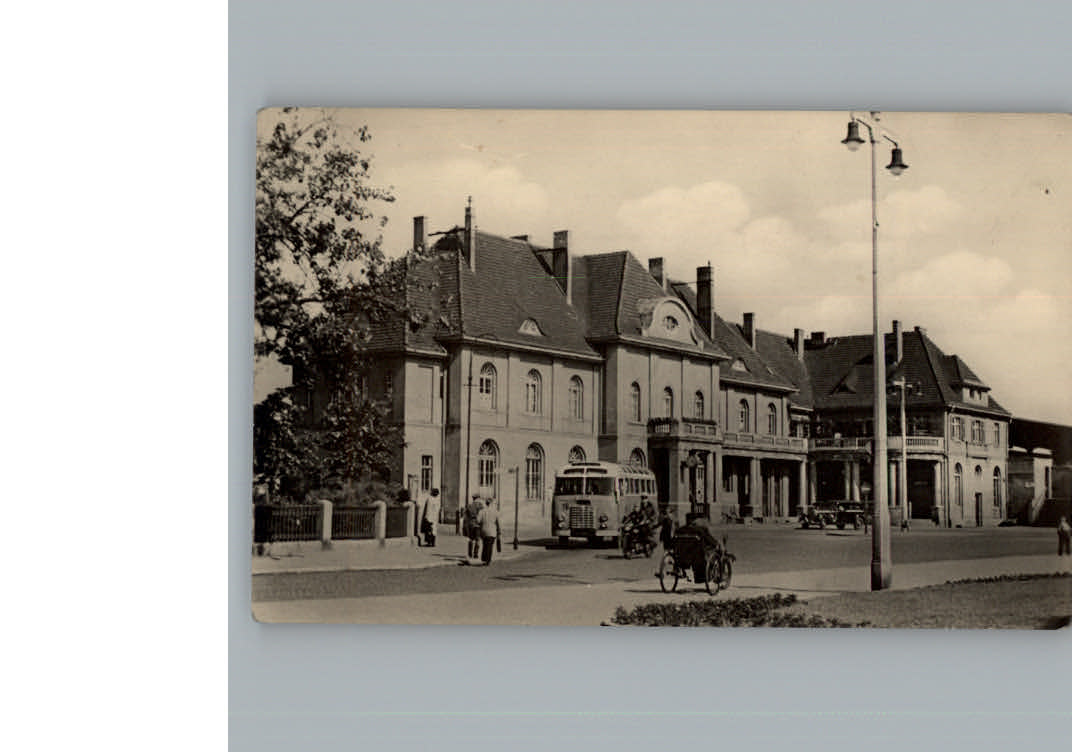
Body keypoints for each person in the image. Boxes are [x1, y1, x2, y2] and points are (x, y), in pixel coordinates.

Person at [477, 498, 501, 565]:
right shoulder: (495, 511)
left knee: (485, 544)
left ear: (486, 503)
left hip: (484, 530)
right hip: (492, 531)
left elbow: (478, 520)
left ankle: (484, 558)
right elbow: (498, 522)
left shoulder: (481, 511)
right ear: (491, 503)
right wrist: (499, 531)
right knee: (490, 546)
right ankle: (487, 560)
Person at [464, 494, 484, 562]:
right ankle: (476, 554)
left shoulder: (469, 505)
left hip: (470, 524)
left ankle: (470, 553)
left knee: (470, 539)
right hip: (477, 524)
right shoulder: (480, 506)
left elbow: (466, 516)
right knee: (477, 539)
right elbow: (482, 515)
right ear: (478, 498)